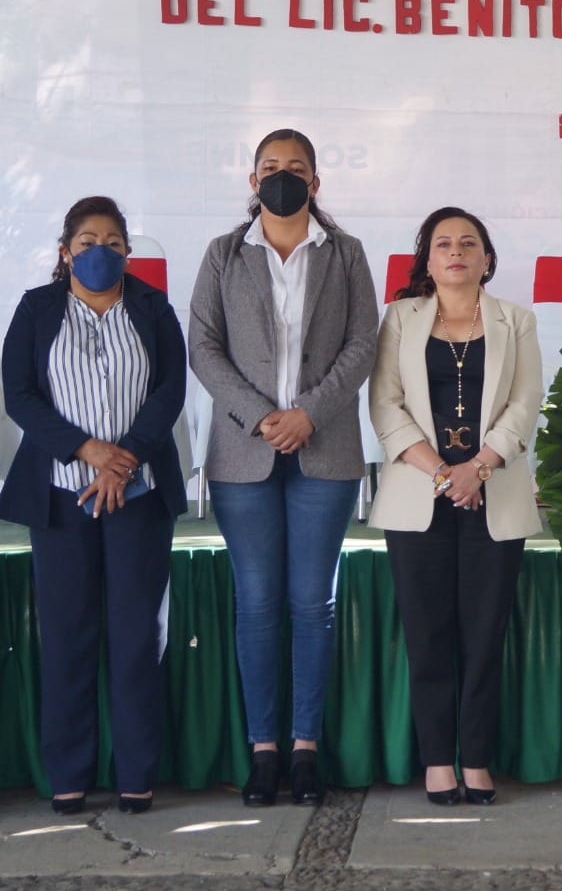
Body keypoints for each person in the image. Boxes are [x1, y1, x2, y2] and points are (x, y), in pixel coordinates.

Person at [188, 129, 378, 807]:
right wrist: (260, 416)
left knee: (313, 604)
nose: (282, 177)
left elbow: (363, 343)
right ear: (252, 179)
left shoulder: (346, 255)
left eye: (295, 169)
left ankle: (305, 748)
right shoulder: (223, 255)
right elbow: (204, 347)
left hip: (324, 451)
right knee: (259, 604)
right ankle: (263, 750)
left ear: (315, 183)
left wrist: (309, 413)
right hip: (245, 453)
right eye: (270, 168)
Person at [0, 196, 187, 815]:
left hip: (138, 496)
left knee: (137, 639)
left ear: (128, 251)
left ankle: (136, 775)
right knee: (68, 637)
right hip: (60, 496)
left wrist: (123, 459)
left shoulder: (154, 309)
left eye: (111, 240)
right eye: (86, 241)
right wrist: (89, 451)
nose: (99, 251)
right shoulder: (36, 308)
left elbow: (168, 394)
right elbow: (20, 397)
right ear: (65, 252)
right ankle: (69, 776)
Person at [368, 207, 542, 805]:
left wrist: (479, 468)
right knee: (428, 634)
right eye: (443, 244)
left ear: (487, 259)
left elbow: (524, 406)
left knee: (484, 634)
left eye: (469, 243)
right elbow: (386, 406)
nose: (457, 252)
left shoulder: (516, 321)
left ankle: (478, 759)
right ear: (428, 259)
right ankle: (438, 760)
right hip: (421, 494)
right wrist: (443, 472)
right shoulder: (399, 319)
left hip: (493, 493)